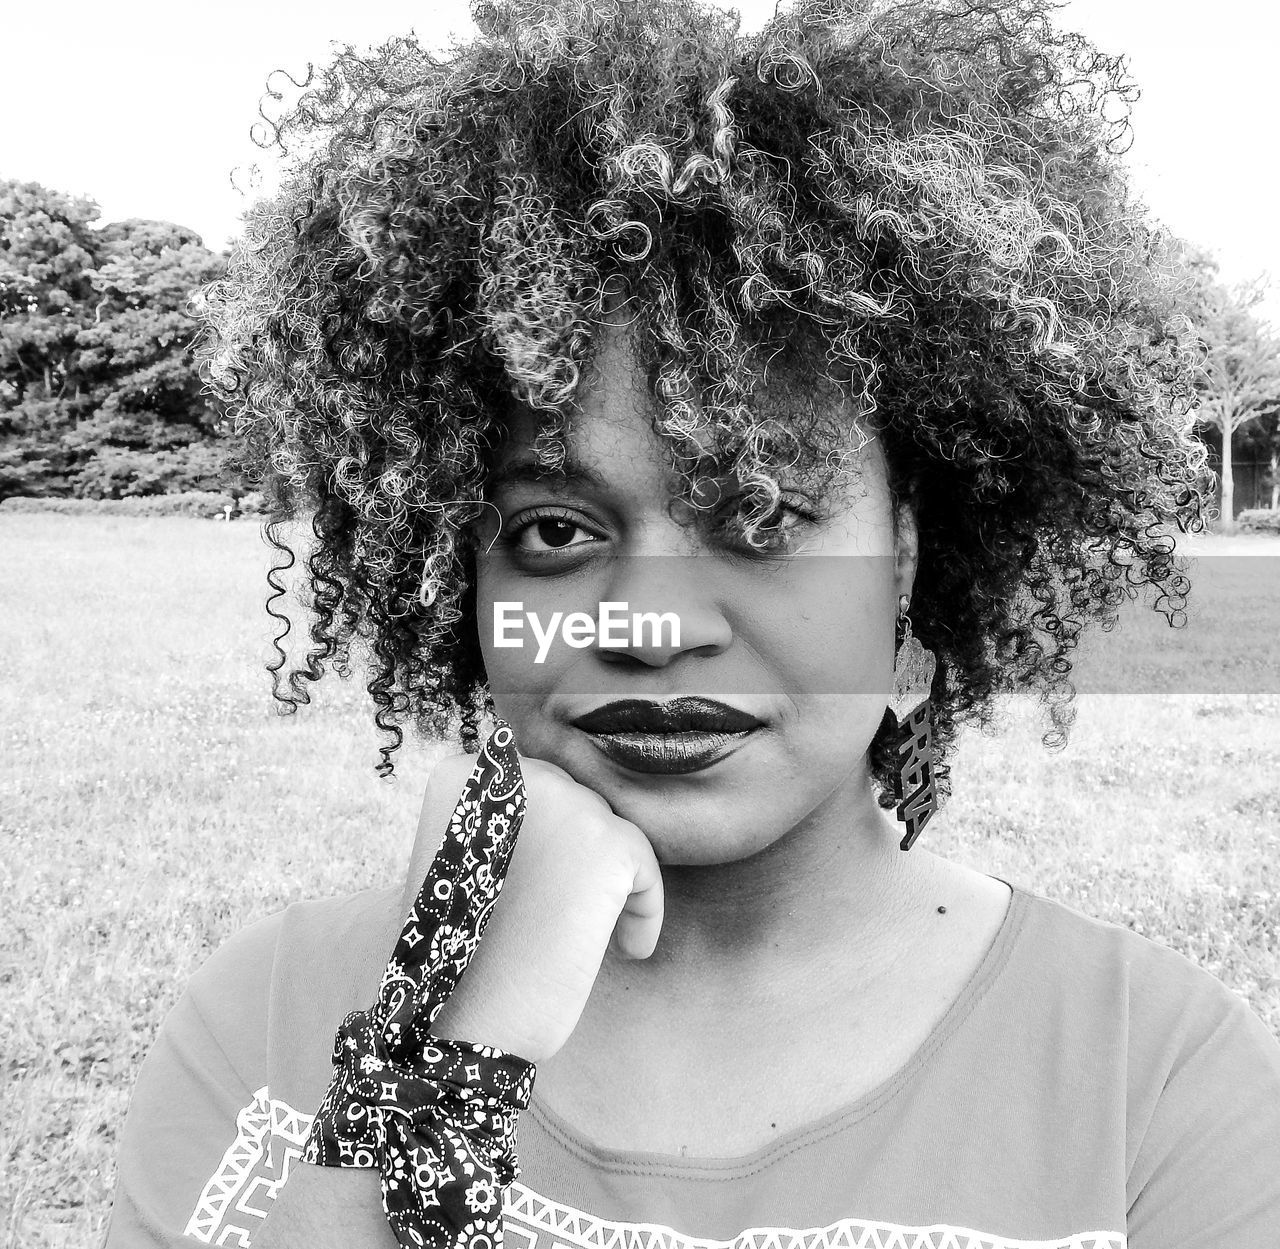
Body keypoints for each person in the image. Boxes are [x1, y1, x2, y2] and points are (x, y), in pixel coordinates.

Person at [107, 0, 1280, 1245]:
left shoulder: (1147, 1080)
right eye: (556, 529)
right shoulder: (261, 1023)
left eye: (762, 515)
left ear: (908, 554)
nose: (650, 627)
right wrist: (439, 1055)